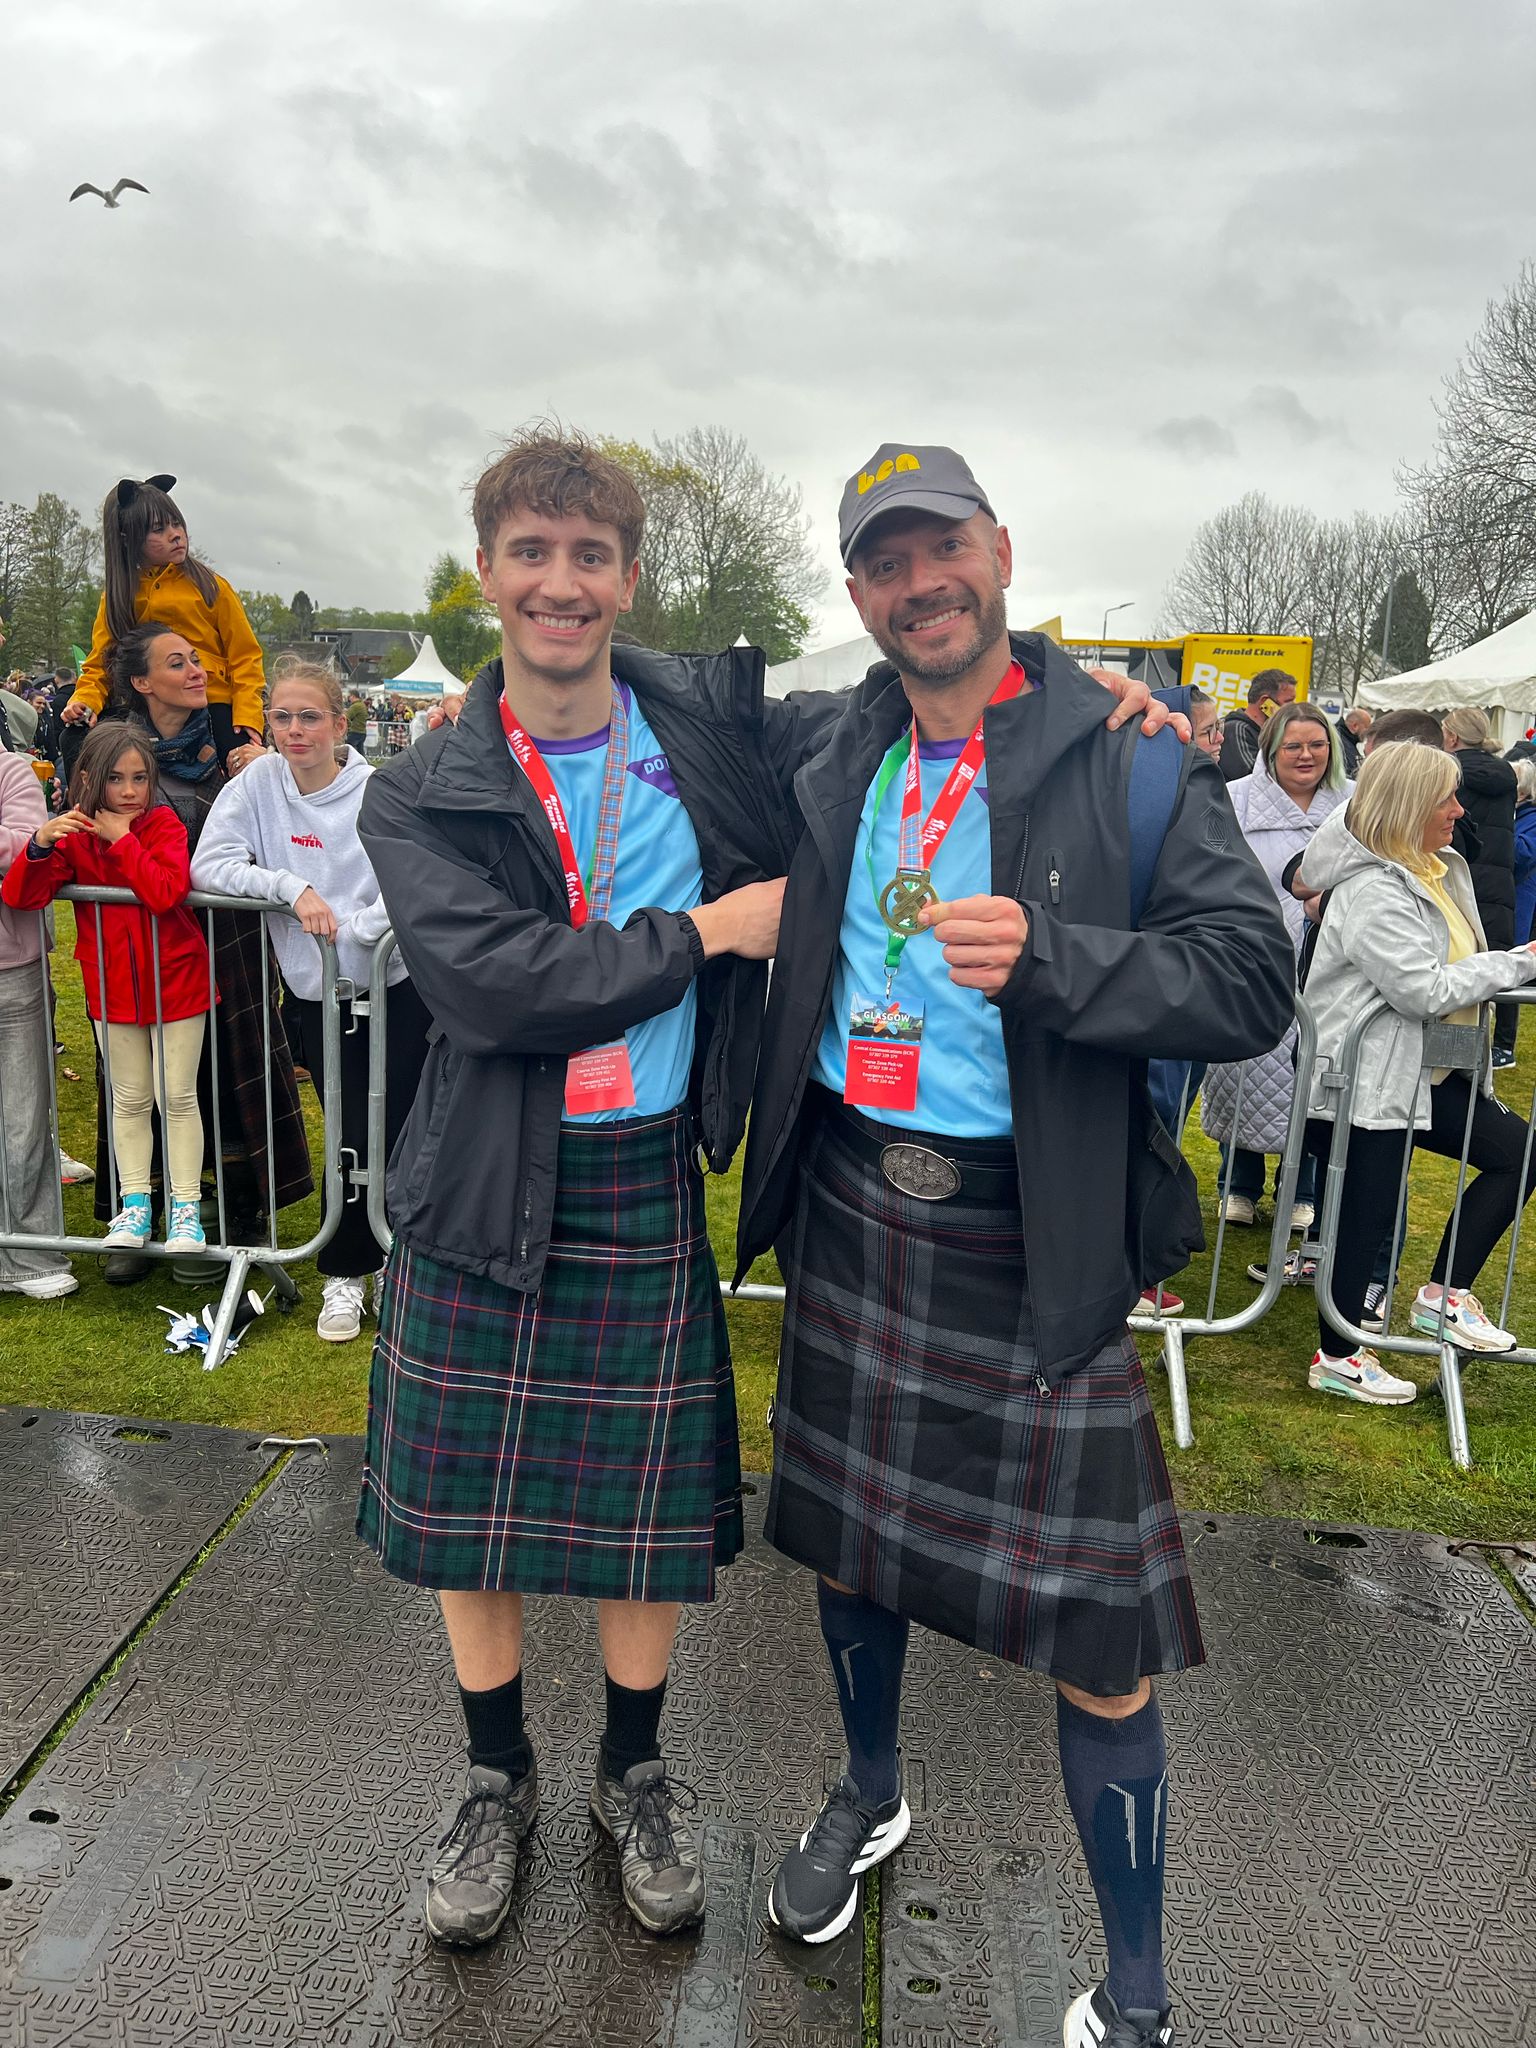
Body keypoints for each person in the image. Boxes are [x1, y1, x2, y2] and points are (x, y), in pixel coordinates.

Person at [736, 443, 1294, 2048]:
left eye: (943, 549)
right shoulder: (838, 747)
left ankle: (1137, 1993)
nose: (922, 585)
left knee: (1099, 1639)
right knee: (847, 1547)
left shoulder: (1128, 758)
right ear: (858, 595)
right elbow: (658, 686)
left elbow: (1250, 978)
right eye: (886, 565)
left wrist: (1057, 959)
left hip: (1029, 1234)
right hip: (857, 1196)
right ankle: (868, 1790)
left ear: (998, 549)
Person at [192, 658, 431, 1343]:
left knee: (400, 1131)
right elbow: (209, 863)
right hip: (314, 993)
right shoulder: (259, 783)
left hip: (393, 985)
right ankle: (346, 1275)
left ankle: (393, 1264)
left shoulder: (379, 789)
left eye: (310, 717)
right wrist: (290, 890)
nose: (295, 731)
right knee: (351, 1131)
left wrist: (356, 932)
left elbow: (409, 879)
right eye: (283, 717)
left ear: (339, 722)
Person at [1297, 741, 1536, 1386]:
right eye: (1446, 799)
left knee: (1518, 1152)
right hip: (1365, 1081)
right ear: (1408, 807)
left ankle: (1442, 1297)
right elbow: (1420, 989)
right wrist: (1522, 962)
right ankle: (1339, 1357)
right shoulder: (1376, 886)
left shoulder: (1433, 866)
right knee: (1363, 1218)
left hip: (1423, 1074)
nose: (1460, 810)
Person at [88, 623, 312, 1281]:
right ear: (139, 681)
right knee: (138, 1087)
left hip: (228, 947)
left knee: (216, 1080)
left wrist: (269, 772)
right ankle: (140, 1214)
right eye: (178, 662)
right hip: (137, 957)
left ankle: (226, 1218)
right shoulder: (115, 756)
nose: (196, 670)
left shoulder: (234, 748)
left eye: (197, 659)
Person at [2, 723, 212, 1256]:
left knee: (178, 1096)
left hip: (178, 984)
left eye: (140, 778)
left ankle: (185, 1209)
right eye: (116, 779)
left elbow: (167, 892)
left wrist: (121, 842)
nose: (128, 790)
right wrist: (40, 842)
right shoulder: (72, 835)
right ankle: (135, 1205)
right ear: (90, 780)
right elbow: (23, 896)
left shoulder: (162, 824)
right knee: (130, 1098)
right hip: (112, 989)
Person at [1201, 701, 1348, 1231]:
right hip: (1253, 957)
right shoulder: (1234, 800)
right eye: (1294, 746)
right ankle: (1237, 1183)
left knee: (1314, 1072)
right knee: (1243, 1066)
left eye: (1317, 744)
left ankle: (1303, 1187)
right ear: (1271, 751)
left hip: (1327, 964)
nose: (1306, 755)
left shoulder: (1352, 805)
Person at [62, 477, 266, 769]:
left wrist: (247, 714)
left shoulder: (211, 585)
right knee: (74, 739)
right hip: (146, 709)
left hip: (213, 702)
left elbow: (246, 656)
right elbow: (101, 663)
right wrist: (84, 700)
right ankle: (89, 810)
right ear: (127, 537)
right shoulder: (118, 596)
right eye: (159, 529)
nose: (176, 535)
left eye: (177, 524)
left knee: (242, 763)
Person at [0, 747, 77, 1298]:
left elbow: (30, 844)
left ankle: (28, 1253)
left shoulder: (10, 770)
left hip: (13, 966)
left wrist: (25, 842)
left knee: (24, 1115)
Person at [1443, 710, 1520, 1066]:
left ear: (1453, 738)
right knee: (1493, 972)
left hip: (1459, 881)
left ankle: (1455, 1066)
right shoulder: (1506, 775)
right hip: (1497, 885)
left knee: (1458, 975)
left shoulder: (1449, 774)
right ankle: (1487, 1057)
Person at [1217, 667, 1297, 782]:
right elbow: (1257, 776)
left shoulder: (1270, 732)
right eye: (1288, 701)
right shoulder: (1237, 730)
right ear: (1265, 702)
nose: (1293, 707)